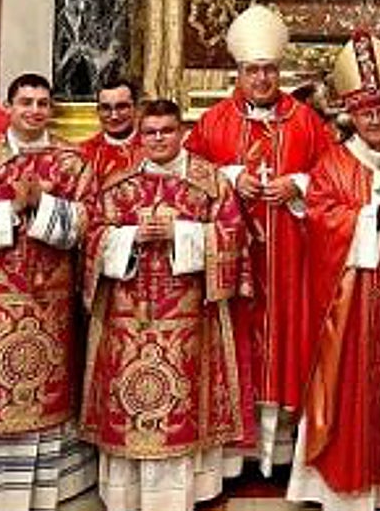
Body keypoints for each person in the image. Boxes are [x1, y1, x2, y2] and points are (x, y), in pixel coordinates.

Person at [286, 30, 380, 511]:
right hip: (350, 312)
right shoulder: (333, 163)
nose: (376, 121)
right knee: (346, 390)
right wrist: (375, 217)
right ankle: (343, 490)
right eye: (366, 113)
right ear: (351, 116)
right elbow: (319, 217)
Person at [82, 99, 255, 511]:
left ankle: (185, 492)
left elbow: (234, 236)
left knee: (183, 402)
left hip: (190, 316)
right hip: (129, 315)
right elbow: (91, 237)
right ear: (140, 136)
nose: (158, 139)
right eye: (150, 132)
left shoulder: (210, 182)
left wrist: (181, 233)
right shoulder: (116, 184)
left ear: (182, 133)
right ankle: (126, 492)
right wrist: (128, 239)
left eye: (167, 131)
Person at [185, 4, 332, 474]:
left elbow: (332, 175)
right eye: (253, 70)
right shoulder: (214, 122)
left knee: (289, 342)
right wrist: (229, 176)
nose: (263, 79)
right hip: (235, 259)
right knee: (238, 341)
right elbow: (188, 179)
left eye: (269, 70)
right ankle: (234, 460)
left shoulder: (306, 121)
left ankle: (282, 454)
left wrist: (298, 186)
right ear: (239, 71)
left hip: (293, 255)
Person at [0, 73, 97, 511]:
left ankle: (49, 487)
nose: (34, 110)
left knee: (44, 394)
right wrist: (11, 208)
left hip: (52, 302)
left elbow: (88, 222)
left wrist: (44, 207)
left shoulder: (72, 161)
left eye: (43, 103)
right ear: (8, 106)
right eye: (25, 102)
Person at [79, 77, 143, 182]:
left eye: (121, 107)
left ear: (136, 108)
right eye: (106, 108)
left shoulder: (154, 148)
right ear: (98, 111)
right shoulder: (83, 154)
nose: (114, 116)